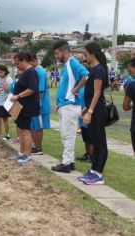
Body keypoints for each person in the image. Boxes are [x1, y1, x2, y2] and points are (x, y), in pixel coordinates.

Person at [51, 40, 89, 173]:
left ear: (64, 51)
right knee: (66, 135)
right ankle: (70, 162)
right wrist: (60, 103)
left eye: (57, 53)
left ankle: (66, 163)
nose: (56, 56)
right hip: (65, 105)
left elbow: (86, 76)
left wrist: (76, 89)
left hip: (71, 105)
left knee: (68, 135)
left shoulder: (73, 63)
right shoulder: (67, 65)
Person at [77, 42, 109, 185]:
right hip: (92, 109)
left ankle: (99, 174)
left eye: (85, 54)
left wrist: (90, 111)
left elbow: (97, 93)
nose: (84, 57)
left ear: (93, 54)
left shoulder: (98, 70)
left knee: (100, 142)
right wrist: (86, 109)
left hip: (97, 111)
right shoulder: (93, 70)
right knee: (94, 142)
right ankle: (93, 171)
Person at [10, 52, 39, 164]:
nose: (17, 66)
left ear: (23, 61)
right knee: (21, 130)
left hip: (27, 106)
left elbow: (32, 88)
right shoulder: (25, 72)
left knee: (26, 131)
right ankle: (21, 153)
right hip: (20, 106)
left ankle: (28, 155)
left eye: (17, 64)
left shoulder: (31, 72)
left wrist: (18, 96)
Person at [29, 53, 51, 155]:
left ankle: (38, 148)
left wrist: (35, 103)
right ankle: (35, 145)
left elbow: (40, 91)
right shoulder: (36, 71)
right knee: (33, 126)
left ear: (33, 60)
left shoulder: (40, 72)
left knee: (38, 127)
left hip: (39, 104)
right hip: (35, 103)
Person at [123, 57, 135, 157]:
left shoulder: (132, 85)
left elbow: (125, 106)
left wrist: (132, 104)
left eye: (129, 68)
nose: (129, 71)